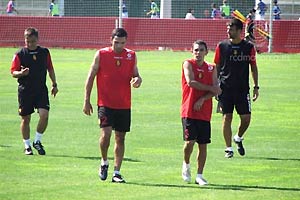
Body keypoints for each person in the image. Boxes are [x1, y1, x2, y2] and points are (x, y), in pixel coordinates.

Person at [83, 28, 142, 183]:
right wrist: (86, 100)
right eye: (116, 42)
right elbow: (90, 77)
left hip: (124, 104)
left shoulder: (131, 55)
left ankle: (117, 172)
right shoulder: (101, 54)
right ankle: (104, 162)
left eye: (122, 43)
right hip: (105, 103)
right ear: (111, 40)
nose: (119, 46)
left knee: (120, 138)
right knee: (106, 134)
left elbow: (136, 75)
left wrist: (137, 80)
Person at [214, 18, 259, 158]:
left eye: (231, 29)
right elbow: (216, 66)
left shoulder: (248, 47)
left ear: (240, 31)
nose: (228, 32)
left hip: (242, 89)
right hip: (225, 88)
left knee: (246, 118)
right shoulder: (221, 46)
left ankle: (238, 137)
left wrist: (256, 86)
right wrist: (215, 86)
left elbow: (253, 67)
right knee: (227, 117)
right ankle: (228, 148)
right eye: (228, 29)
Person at [10, 27, 58, 155]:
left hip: (41, 89)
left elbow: (50, 69)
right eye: (27, 41)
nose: (30, 44)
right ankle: (27, 145)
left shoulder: (44, 52)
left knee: (44, 115)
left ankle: (37, 140)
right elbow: (13, 72)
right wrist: (21, 73)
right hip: (25, 90)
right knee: (26, 119)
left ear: (37, 39)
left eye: (32, 41)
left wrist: (54, 84)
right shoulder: (20, 54)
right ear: (25, 39)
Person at [181, 40, 221, 186]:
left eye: (201, 50)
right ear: (192, 51)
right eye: (196, 50)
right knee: (189, 142)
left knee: (203, 144)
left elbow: (216, 89)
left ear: (206, 52)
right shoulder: (188, 64)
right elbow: (191, 82)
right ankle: (186, 164)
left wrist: (203, 98)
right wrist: (211, 88)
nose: (198, 53)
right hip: (189, 110)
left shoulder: (212, 68)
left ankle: (199, 175)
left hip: (204, 112)